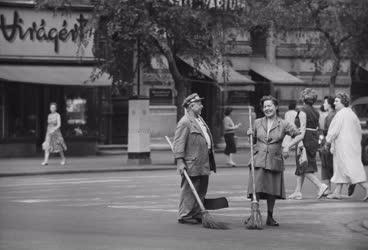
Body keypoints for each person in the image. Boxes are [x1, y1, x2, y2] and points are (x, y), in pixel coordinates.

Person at [246, 95, 301, 226]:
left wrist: (288, 146)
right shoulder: (257, 122)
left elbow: (299, 135)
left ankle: (270, 216)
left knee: (272, 190)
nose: (267, 108)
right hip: (258, 158)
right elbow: (252, 139)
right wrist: (249, 135)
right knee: (256, 188)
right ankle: (254, 214)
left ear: (276, 107)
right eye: (265, 106)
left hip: (274, 159)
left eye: (270, 106)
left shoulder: (283, 123)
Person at [173, 93, 217, 224]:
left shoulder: (199, 119)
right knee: (189, 188)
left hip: (204, 159)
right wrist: (180, 161)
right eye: (199, 104)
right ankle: (185, 215)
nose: (202, 106)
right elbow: (178, 143)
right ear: (191, 106)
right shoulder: (185, 122)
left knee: (202, 187)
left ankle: (197, 212)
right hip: (192, 161)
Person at [325, 92, 368, 201]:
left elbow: (334, 130)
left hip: (344, 147)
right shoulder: (351, 114)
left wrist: (328, 141)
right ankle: (337, 192)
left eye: (337, 101)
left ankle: (367, 187)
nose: (334, 103)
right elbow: (358, 131)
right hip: (350, 146)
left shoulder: (341, 114)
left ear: (343, 102)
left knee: (351, 169)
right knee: (341, 168)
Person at [287, 88, 328, 200]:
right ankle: (297, 191)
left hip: (304, 138)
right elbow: (318, 127)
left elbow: (301, 129)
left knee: (304, 166)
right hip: (313, 139)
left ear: (303, 98)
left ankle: (320, 186)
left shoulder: (302, 111)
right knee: (303, 164)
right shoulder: (316, 112)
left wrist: (295, 142)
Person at [318, 96, 336, 195]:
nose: (323, 104)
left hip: (328, 141)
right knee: (329, 165)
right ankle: (329, 188)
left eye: (325, 102)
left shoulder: (331, 116)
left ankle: (329, 188)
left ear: (329, 104)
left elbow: (329, 131)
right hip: (328, 141)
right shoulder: (331, 115)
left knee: (327, 165)